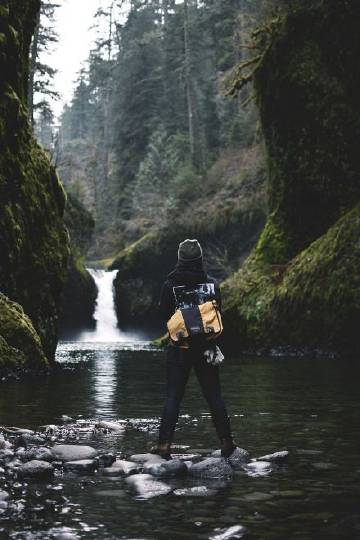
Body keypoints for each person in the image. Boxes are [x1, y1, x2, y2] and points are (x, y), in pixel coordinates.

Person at [151, 239, 237, 460]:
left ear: (180, 259)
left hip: (180, 348)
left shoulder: (170, 286)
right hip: (206, 349)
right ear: (200, 259)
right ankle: (227, 443)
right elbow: (218, 310)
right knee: (214, 396)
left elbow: (162, 314)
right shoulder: (212, 284)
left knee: (173, 398)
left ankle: (164, 445)